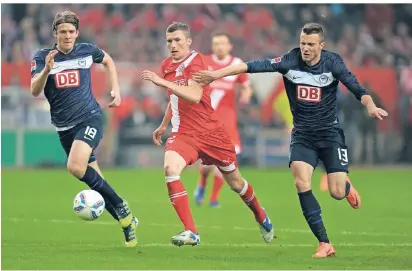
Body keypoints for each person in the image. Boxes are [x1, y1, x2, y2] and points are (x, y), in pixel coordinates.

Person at [193, 23, 388, 257]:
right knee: (301, 183)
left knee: (335, 192)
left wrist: (371, 105)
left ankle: (345, 186)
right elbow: (250, 66)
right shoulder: (289, 61)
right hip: (302, 135)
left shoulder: (333, 62)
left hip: (329, 134)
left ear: (321, 46)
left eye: (311, 45)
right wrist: (215, 74)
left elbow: (357, 88)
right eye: (303, 43)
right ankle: (324, 243)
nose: (305, 48)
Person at [140, 22, 274, 247]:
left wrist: (160, 81)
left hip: (211, 133)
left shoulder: (197, 61)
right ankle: (191, 231)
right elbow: (174, 98)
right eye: (169, 41)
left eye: (178, 40)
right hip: (184, 134)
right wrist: (164, 125)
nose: (173, 45)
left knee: (236, 183)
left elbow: (192, 95)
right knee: (170, 170)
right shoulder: (166, 65)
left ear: (188, 41)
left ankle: (260, 215)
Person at [30, 11, 138, 247]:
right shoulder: (42, 57)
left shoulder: (87, 50)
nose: (67, 36)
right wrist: (47, 70)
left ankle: (120, 205)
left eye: (71, 32)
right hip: (63, 128)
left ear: (77, 33)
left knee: (75, 167)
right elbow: (34, 90)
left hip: (89, 118)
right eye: (62, 32)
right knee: (95, 179)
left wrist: (116, 90)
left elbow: (108, 60)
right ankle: (127, 223)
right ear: (55, 34)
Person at [194, 32, 252, 207]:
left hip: (228, 121)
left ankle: (213, 198)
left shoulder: (236, 64)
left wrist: (246, 96)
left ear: (229, 46)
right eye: (216, 44)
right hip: (206, 119)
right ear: (212, 47)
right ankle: (202, 183)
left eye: (223, 43)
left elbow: (246, 85)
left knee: (226, 160)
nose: (220, 47)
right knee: (207, 164)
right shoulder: (203, 61)